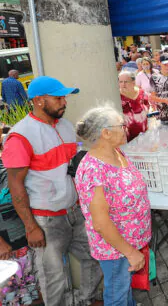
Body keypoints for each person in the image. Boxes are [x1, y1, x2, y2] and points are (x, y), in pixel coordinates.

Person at [2, 76, 102, 305]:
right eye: (58, 98)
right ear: (38, 100)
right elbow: (15, 186)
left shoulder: (65, 126)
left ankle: (86, 300)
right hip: (45, 220)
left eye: (64, 97)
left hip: (75, 212)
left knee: (94, 256)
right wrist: (31, 226)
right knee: (53, 277)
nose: (64, 102)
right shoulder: (20, 136)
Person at [76, 106, 151, 306]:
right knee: (117, 294)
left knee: (124, 291)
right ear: (106, 133)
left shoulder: (116, 153)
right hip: (116, 249)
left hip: (128, 243)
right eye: (121, 125)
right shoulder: (93, 170)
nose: (126, 128)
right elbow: (100, 222)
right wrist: (130, 252)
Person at [119, 71, 149, 142]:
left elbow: (147, 105)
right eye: (120, 82)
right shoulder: (117, 96)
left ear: (133, 82)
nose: (123, 84)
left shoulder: (141, 92)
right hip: (126, 136)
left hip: (142, 132)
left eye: (126, 82)